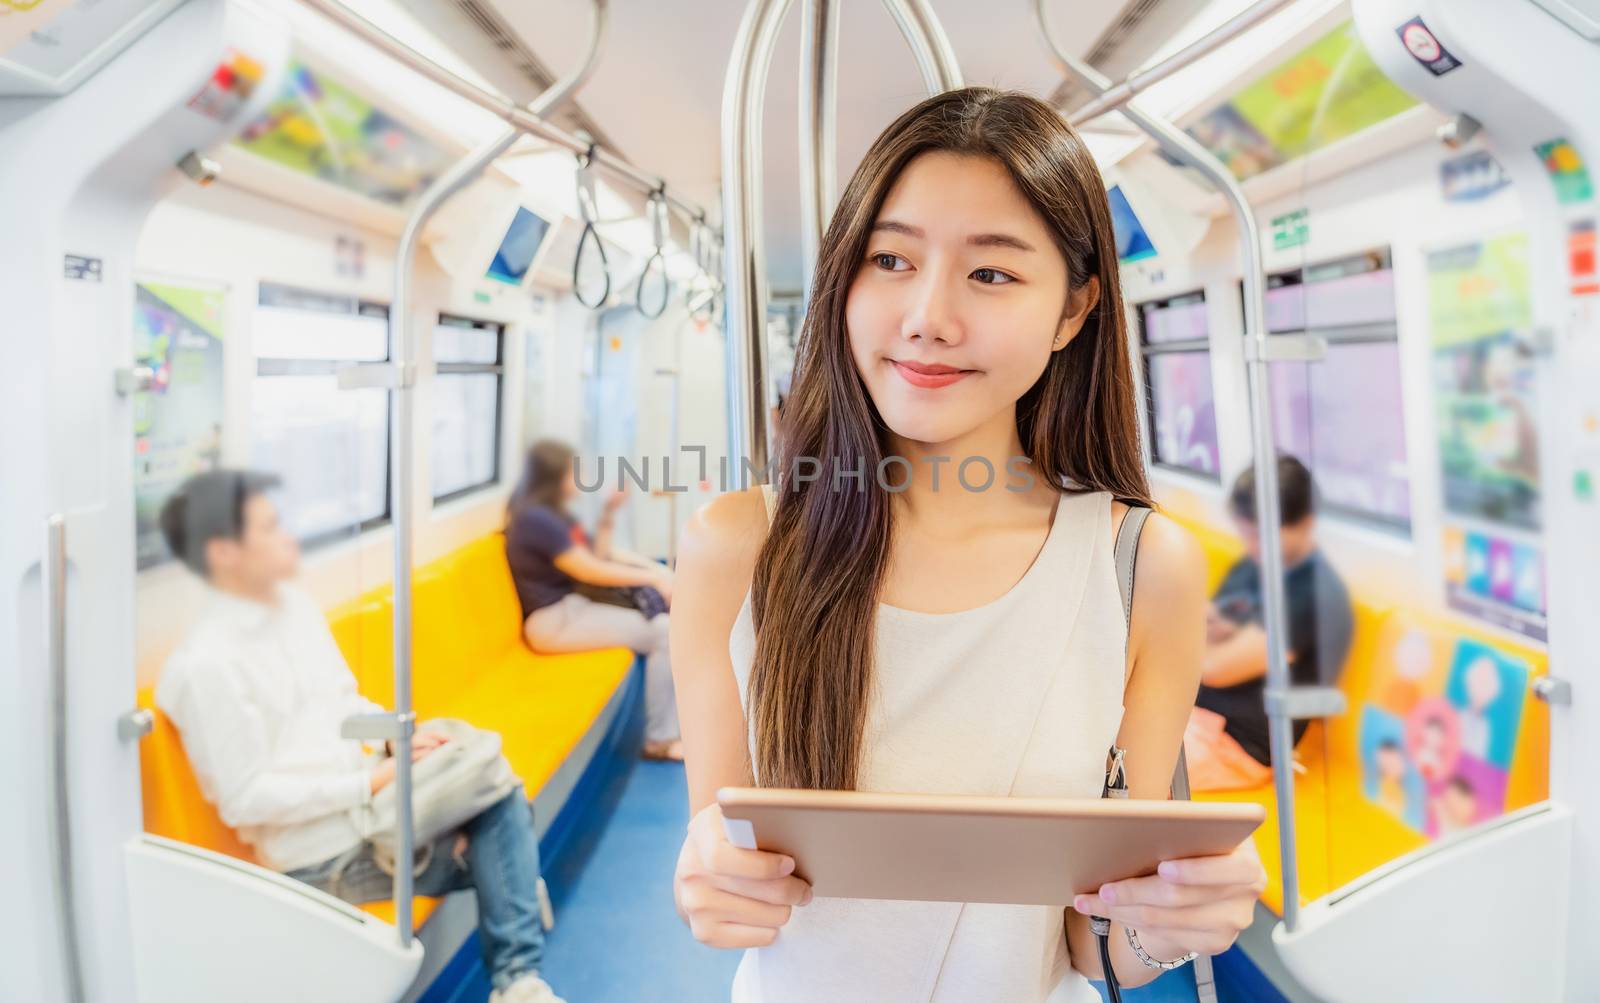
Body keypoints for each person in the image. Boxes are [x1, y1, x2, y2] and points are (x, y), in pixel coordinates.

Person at [669, 88, 1265, 1002]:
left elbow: (1095, 946)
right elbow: (725, 887)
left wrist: (1175, 918)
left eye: (991, 274)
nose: (927, 316)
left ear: (1073, 312)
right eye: (891, 259)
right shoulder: (734, 551)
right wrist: (709, 883)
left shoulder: (1140, 568)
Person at [154, 470, 563, 1003]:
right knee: (506, 823)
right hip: (321, 854)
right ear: (224, 552)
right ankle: (517, 970)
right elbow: (244, 799)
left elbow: (344, 700)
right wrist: (369, 783)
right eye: (271, 528)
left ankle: (516, 966)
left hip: (376, 806)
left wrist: (396, 740)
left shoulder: (290, 609)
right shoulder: (204, 668)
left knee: (492, 781)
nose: (289, 538)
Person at [1186, 455, 1355, 791]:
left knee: (1120, 770)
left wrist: (1183, 625)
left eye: (1263, 536)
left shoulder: (1313, 595)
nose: (1253, 547)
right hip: (1195, 718)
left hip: (1237, 746)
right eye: (1248, 535)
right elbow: (1215, 624)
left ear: (1306, 522)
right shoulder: (1255, 565)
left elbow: (1214, 666)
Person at [506, 439, 682, 760]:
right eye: (575, 471)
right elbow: (590, 571)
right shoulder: (536, 520)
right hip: (551, 622)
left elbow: (597, 556)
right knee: (663, 634)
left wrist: (609, 511)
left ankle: (664, 731)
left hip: (572, 609)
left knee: (663, 627)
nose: (581, 478)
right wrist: (654, 576)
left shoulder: (554, 516)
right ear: (555, 475)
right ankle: (660, 739)